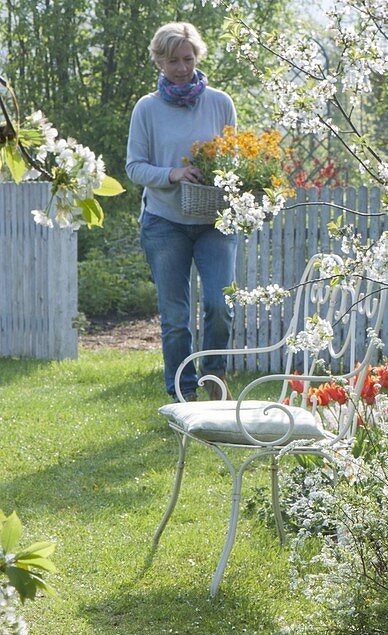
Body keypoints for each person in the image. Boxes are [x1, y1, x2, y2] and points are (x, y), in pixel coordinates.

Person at [126, 22, 237, 401]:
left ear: (197, 57)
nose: (181, 68)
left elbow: (236, 159)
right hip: (164, 223)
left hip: (214, 221)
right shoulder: (147, 109)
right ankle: (183, 395)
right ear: (159, 61)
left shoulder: (220, 103)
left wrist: (227, 175)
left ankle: (214, 376)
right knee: (176, 320)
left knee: (219, 305)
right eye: (172, 61)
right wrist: (173, 173)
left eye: (187, 59)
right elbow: (133, 167)